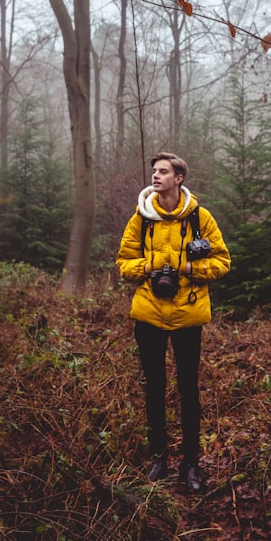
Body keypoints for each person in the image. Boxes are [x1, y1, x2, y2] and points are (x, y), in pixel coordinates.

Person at [116, 152, 231, 493]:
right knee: (153, 388)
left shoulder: (199, 218)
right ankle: (158, 459)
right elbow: (124, 262)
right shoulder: (142, 217)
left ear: (178, 178)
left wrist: (190, 269)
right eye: (154, 171)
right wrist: (149, 269)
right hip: (149, 314)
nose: (155, 176)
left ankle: (191, 464)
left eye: (163, 172)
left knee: (188, 390)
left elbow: (223, 261)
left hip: (187, 315)